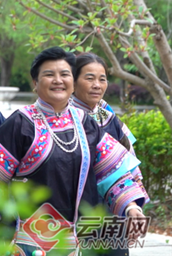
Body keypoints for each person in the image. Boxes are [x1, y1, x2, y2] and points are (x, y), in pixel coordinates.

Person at [0, 47, 148, 255]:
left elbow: (113, 172)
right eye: (49, 74)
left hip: (76, 243)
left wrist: (131, 206)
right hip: (29, 243)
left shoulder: (86, 122)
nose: (58, 80)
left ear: (72, 81)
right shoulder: (21, 122)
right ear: (35, 83)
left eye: (65, 74)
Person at [70, 52, 148, 256]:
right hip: (75, 213)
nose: (97, 85)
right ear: (73, 80)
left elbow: (129, 167)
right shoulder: (63, 119)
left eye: (102, 79)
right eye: (89, 78)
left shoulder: (110, 119)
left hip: (114, 211)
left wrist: (133, 208)